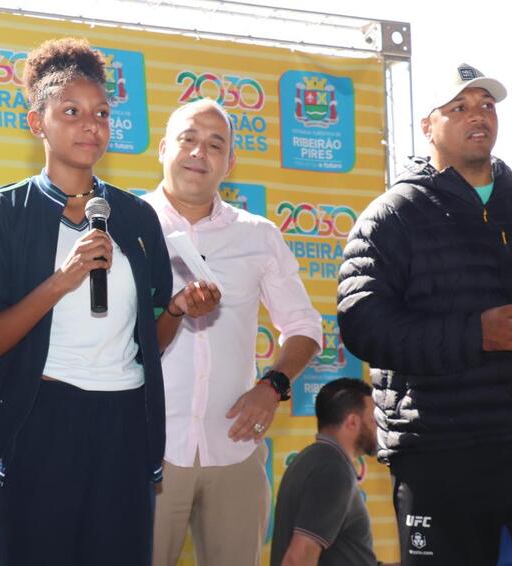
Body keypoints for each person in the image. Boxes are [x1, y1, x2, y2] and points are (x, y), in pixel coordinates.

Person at [0, 37, 218, 566]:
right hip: (40, 424)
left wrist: (175, 311)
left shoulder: (137, 218)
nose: (90, 125)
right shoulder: (2, 213)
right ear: (37, 123)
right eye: (71, 112)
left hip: (123, 425)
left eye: (100, 113)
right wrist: (63, 279)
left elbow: (150, 342)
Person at [338, 62, 512, 565]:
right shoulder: (392, 215)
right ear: (427, 126)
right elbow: (364, 325)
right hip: (440, 453)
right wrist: (474, 334)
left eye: (485, 105)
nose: (476, 116)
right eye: (458, 108)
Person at [143, 98, 322, 566]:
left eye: (215, 144)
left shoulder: (258, 235)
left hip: (236, 449)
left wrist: (273, 385)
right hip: (145, 449)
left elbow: (304, 326)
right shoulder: (129, 225)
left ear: (230, 162)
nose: (199, 153)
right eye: (188, 140)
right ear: (163, 148)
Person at [270, 378, 378, 566]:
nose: (380, 428)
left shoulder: (316, 459)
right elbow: (298, 559)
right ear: (352, 421)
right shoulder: (332, 469)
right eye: (373, 420)